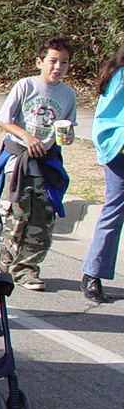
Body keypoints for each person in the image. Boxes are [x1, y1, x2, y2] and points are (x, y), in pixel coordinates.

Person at [0, 36, 76, 291]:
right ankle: (4, 267)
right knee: (16, 215)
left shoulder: (68, 95)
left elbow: (67, 131)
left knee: (42, 217)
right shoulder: (25, 86)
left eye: (64, 62)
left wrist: (66, 137)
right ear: (40, 62)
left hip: (46, 163)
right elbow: (3, 119)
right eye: (52, 61)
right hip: (19, 161)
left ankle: (27, 269)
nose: (57, 67)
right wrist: (26, 136)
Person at [82, 42, 124, 303]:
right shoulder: (119, 76)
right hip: (120, 156)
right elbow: (106, 121)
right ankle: (92, 274)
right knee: (114, 211)